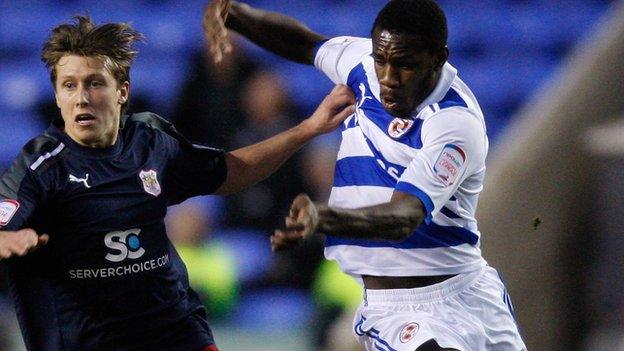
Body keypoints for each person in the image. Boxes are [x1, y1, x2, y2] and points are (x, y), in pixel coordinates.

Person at [0, 15, 355, 351]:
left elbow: (230, 172)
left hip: (174, 332)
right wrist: (10, 237)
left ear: (122, 91)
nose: (82, 97)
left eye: (95, 83)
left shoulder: (151, 142)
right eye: (69, 85)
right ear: (58, 95)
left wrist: (308, 129)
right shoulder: (39, 168)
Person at [205, 0, 527, 350]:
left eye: (405, 65)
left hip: (470, 296)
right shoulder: (363, 65)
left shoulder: (452, 123)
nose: (388, 78)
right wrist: (234, 14)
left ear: (439, 58)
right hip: (401, 312)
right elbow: (305, 43)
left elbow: (403, 218)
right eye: (381, 60)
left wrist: (325, 218)